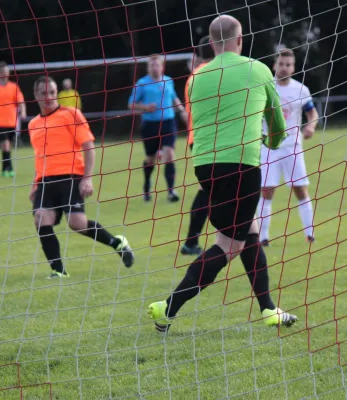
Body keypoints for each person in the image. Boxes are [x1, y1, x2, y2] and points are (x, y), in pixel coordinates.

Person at [148, 15, 298, 332]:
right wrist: (269, 142)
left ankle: (269, 308)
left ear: (212, 44)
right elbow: (277, 127)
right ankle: (167, 307)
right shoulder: (258, 69)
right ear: (240, 39)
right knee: (230, 245)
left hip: (205, 166)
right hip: (242, 164)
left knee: (250, 229)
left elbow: (195, 124)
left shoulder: (194, 78)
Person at [28, 76, 135, 279]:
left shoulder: (71, 114)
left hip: (71, 177)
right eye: (43, 93)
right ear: (35, 95)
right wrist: (35, 183)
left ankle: (117, 243)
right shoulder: (33, 124)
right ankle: (58, 270)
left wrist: (87, 178)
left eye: (52, 92)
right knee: (41, 218)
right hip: (45, 181)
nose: (48, 97)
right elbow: (39, 156)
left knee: (77, 223)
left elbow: (88, 146)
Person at [256, 48, 319, 246]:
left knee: (301, 190)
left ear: (293, 67)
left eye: (288, 65)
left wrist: (310, 126)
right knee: (266, 190)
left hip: (293, 147)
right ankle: (262, 237)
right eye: (281, 64)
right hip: (269, 147)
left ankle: (310, 234)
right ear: (274, 65)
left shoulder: (301, 90)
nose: (284, 68)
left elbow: (312, 114)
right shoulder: (266, 87)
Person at [128, 54, 188, 203]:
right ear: (148, 67)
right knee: (151, 159)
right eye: (151, 65)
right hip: (150, 125)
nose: (154, 68)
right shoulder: (141, 84)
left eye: (157, 65)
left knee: (169, 154)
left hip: (168, 122)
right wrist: (145, 107)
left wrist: (181, 110)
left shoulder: (168, 81)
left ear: (162, 66)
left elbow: (174, 98)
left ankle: (171, 191)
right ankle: (147, 186)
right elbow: (131, 104)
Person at [180, 35, 215, 256]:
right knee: (212, 191)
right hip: (209, 139)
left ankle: (191, 242)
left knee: (210, 190)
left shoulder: (194, 75)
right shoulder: (212, 73)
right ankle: (191, 242)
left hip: (198, 139)